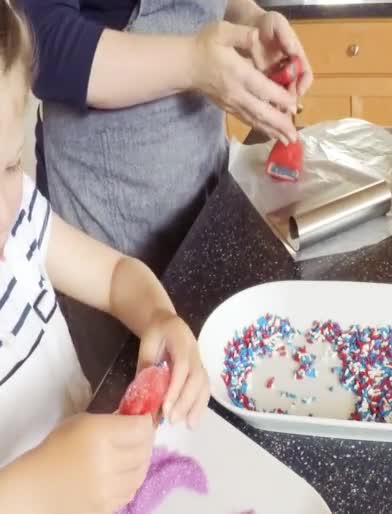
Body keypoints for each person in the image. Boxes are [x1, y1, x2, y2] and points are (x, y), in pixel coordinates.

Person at [21, 0, 313, 388]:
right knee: (144, 400)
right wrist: (194, 63)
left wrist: (250, 20)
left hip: (203, 182)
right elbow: (44, 45)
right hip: (113, 215)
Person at [0, 4, 209, 512]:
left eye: (7, 164)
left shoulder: (19, 216)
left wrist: (159, 317)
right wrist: (31, 492)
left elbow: (115, 275)